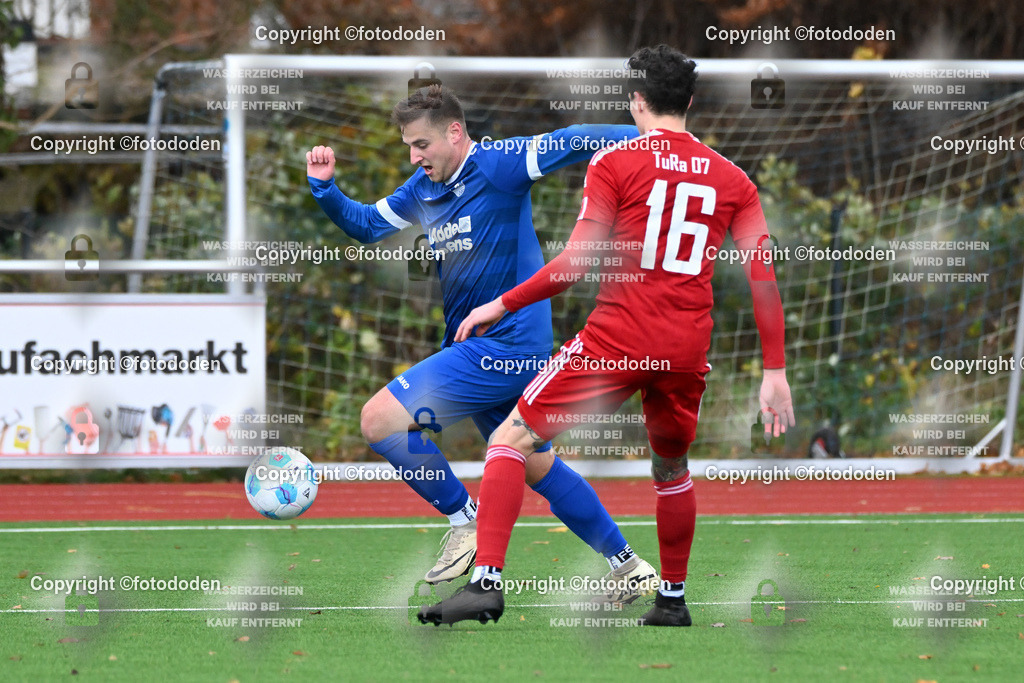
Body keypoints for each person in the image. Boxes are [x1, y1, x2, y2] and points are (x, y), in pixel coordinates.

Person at [418, 45, 795, 627]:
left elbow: (575, 264)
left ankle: (486, 583)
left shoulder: (615, 163)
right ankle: (672, 600)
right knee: (671, 469)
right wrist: (775, 372)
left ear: (636, 101)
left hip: (617, 341)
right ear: (689, 103)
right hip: (686, 349)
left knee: (509, 441)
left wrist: (501, 301)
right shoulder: (734, 179)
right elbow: (763, 279)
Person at [306, 85, 658, 597]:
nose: (414, 156)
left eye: (421, 144)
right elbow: (364, 225)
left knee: (380, 420)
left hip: (506, 347)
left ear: (454, 132)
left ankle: (464, 520)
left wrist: (658, 139)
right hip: (484, 351)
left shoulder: (498, 164)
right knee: (535, 463)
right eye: (408, 145)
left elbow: (577, 140)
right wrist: (325, 188)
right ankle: (628, 566)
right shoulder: (422, 190)